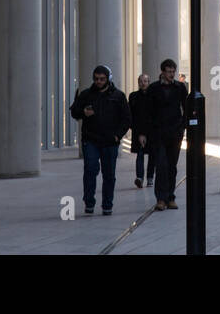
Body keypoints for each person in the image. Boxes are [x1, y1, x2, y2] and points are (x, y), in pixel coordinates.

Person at [69, 65, 131, 216]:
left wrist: (118, 136)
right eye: (96, 79)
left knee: (109, 174)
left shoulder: (118, 96)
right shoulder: (86, 95)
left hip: (110, 141)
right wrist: (83, 112)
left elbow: (126, 118)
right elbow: (74, 111)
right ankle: (89, 201)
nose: (99, 82)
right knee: (90, 169)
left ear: (108, 79)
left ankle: (107, 204)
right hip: (91, 140)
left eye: (102, 79)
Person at [143, 59, 188, 211]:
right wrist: (144, 132)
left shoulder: (180, 87)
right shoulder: (154, 88)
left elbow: (186, 108)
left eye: (173, 71)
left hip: (175, 132)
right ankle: (161, 198)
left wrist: (183, 127)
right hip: (158, 133)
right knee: (161, 165)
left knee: (172, 166)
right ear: (162, 72)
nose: (171, 74)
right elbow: (147, 111)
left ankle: (170, 196)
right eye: (168, 71)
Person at [128, 73, 156, 189]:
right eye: (141, 81)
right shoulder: (133, 96)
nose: (143, 83)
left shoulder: (154, 96)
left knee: (152, 155)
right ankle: (139, 177)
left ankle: (150, 178)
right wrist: (139, 132)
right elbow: (131, 115)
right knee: (140, 154)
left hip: (152, 130)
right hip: (138, 130)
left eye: (145, 81)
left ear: (149, 82)